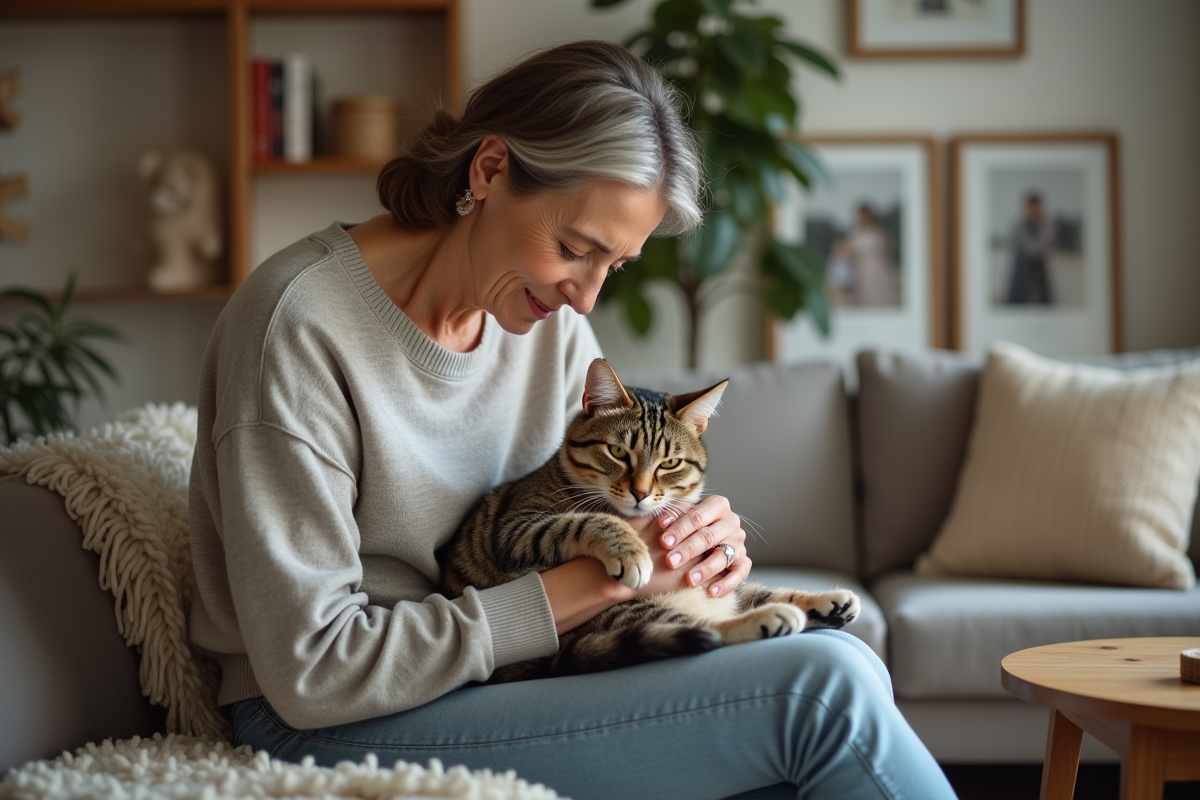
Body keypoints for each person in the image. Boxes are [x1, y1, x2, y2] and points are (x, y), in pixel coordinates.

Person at [188, 40, 957, 800]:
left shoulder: (543, 322)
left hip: (514, 671)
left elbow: (592, 500)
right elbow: (314, 673)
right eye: (575, 248)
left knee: (840, 663)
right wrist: (603, 579)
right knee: (822, 695)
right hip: (335, 719)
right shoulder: (297, 327)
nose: (586, 300)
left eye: (613, 266)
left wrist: (692, 548)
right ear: (489, 170)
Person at [841, 203, 898, 307]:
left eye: (867, 216)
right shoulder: (855, 234)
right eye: (862, 216)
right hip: (861, 271)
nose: (865, 218)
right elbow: (848, 252)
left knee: (878, 295)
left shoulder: (879, 233)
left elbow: (887, 252)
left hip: (878, 271)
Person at [1005, 192, 1055, 304]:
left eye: (1036, 208)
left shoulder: (1045, 226)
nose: (1033, 211)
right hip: (1021, 272)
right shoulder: (1018, 227)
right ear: (1026, 208)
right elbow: (1032, 248)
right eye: (1031, 208)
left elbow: (1037, 248)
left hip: (1039, 273)